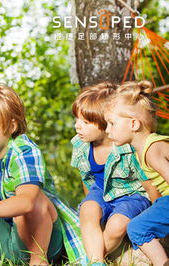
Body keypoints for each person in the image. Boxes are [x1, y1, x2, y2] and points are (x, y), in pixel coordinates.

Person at [0, 82, 86, 265]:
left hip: (41, 239)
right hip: (0, 238)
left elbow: (27, 202)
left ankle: (38, 261)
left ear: (11, 127)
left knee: (35, 197)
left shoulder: (24, 151)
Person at [70, 82, 157, 265]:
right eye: (77, 120)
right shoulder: (80, 145)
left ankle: (94, 258)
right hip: (100, 191)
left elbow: (149, 184)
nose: (78, 126)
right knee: (87, 210)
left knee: (116, 226)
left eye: (85, 122)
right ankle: (96, 262)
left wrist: (157, 212)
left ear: (105, 123)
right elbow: (86, 180)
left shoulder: (128, 148)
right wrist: (92, 207)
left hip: (131, 195)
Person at [105, 80, 169, 266]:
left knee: (137, 227)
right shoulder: (143, 148)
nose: (107, 130)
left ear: (133, 124)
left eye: (112, 123)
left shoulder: (151, 150)